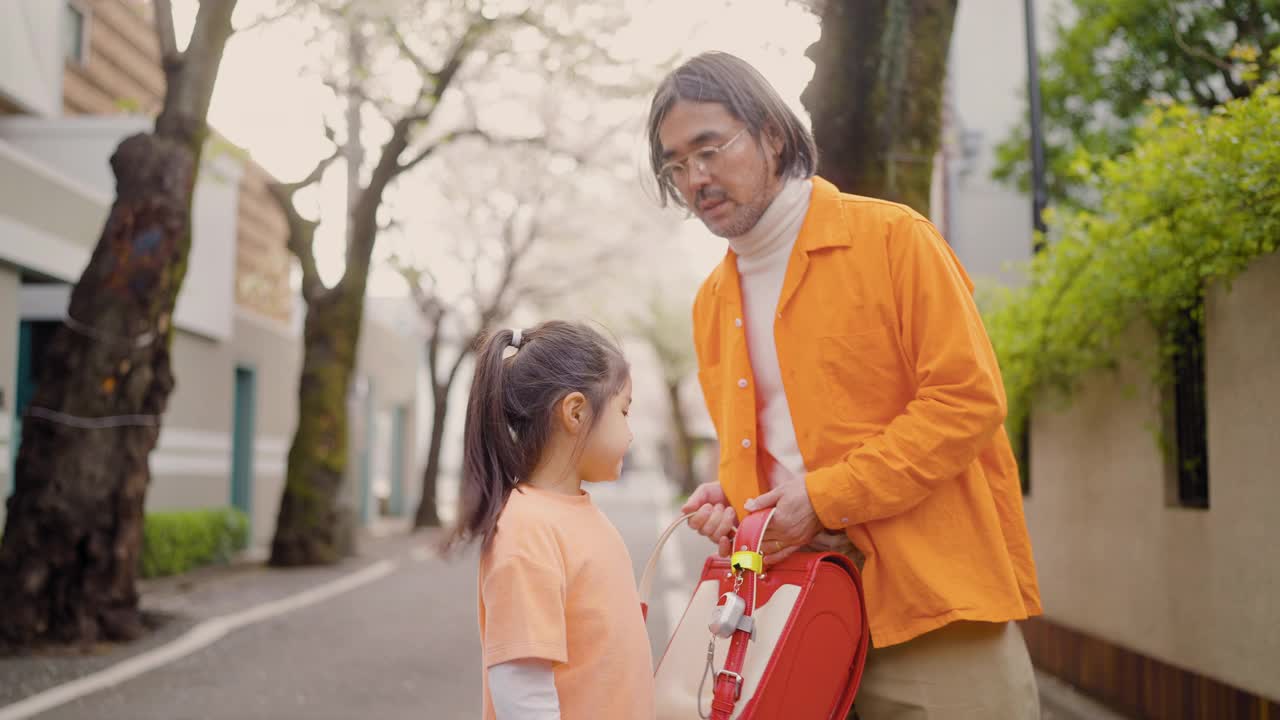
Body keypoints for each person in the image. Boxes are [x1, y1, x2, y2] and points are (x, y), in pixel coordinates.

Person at [647, 52, 1044, 718]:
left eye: (709, 149)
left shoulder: (894, 238)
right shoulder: (710, 302)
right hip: (786, 615)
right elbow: (779, 450)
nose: (695, 177)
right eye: (676, 165)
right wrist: (735, 502)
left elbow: (966, 401)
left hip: (932, 609)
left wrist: (825, 498)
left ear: (772, 133)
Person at [447, 321, 654, 720]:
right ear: (575, 412)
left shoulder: (578, 514)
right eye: (624, 411)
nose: (630, 433)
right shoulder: (526, 529)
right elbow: (523, 693)